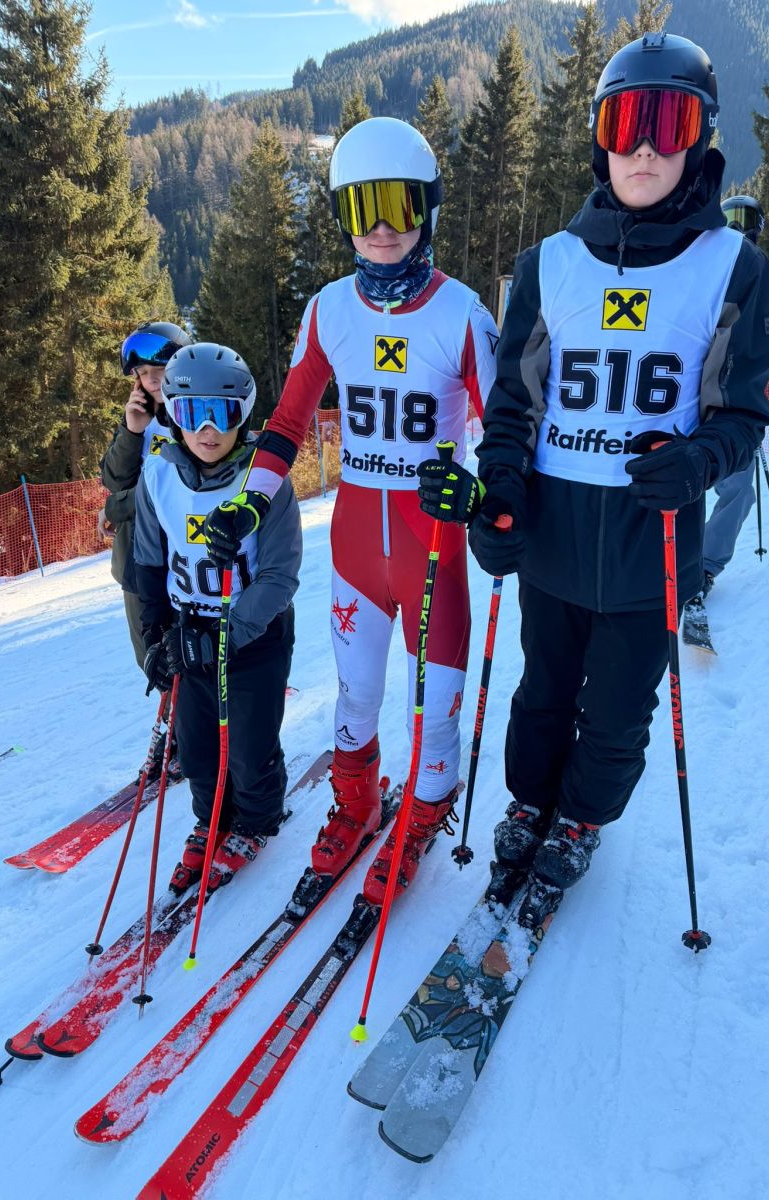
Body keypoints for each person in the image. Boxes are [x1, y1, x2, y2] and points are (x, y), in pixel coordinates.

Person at [417, 33, 769, 928]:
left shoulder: (732, 266)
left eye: (669, 122)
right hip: (556, 537)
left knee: (617, 710)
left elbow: (741, 415)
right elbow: (512, 408)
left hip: (652, 544)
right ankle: (529, 803)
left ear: (700, 138)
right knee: (541, 693)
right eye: (625, 123)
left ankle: (580, 819)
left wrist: (698, 459)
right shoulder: (549, 264)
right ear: (600, 139)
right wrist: (501, 495)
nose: (645, 147)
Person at [201, 118, 499, 905]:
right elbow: (287, 422)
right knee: (356, 697)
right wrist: (248, 506)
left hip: (432, 551)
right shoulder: (328, 309)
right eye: (363, 208)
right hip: (357, 551)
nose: (381, 228)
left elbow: (504, 435)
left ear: (427, 209)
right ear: (343, 216)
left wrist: (480, 494)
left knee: (434, 712)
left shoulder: (462, 313)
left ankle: (423, 815)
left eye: (400, 205)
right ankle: (357, 804)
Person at [134, 343, 302, 891]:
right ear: (172, 414)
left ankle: (256, 820)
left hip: (253, 638)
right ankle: (212, 820)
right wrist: (156, 638)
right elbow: (148, 563)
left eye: (222, 413)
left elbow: (279, 576)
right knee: (198, 750)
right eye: (192, 413)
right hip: (189, 635)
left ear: (243, 414)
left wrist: (228, 634)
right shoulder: (158, 476)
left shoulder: (264, 480)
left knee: (250, 747)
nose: (207, 430)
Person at [696, 194, 769, 594]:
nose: (738, 227)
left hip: (734, 405)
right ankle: (660, 561)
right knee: (671, 482)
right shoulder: (699, 269)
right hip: (684, 399)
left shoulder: (761, 280)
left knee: (739, 491)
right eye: (732, 218)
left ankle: (704, 567)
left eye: (745, 219)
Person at [100, 321, 193, 673]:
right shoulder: (139, 418)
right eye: (141, 373)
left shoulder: (196, 414)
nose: (150, 380)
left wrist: (116, 507)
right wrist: (131, 431)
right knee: (154, 658)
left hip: (189, 555)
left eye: (158, 370)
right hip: (139, 561)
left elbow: (181, 484)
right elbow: (114, 478)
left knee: (194, 654)